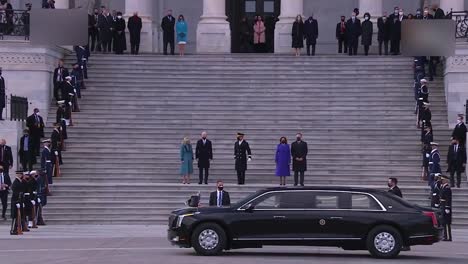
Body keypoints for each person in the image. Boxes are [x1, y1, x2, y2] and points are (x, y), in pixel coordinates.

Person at [9, 171, 25, 235]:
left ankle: (16, 229)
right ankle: (13, 230)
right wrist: (17, 200)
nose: (22, 175)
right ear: (18, 175)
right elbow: (15, 191)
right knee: (15, 217)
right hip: (15, 201)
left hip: (19, 201)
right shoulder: (16, 182)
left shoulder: (19, 181)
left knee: (18, 217)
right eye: (21, 174)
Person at [439, 175, 452, 241]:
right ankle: (445, 236)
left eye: (442, 180)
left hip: (446, 206)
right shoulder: (443, 187)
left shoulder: (447, 188)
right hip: (443, 205)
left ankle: (448, 237)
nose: (441, 181)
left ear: (445, 180)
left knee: (447, 222)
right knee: (443, 222)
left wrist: (447, 207)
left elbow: (448, 198)